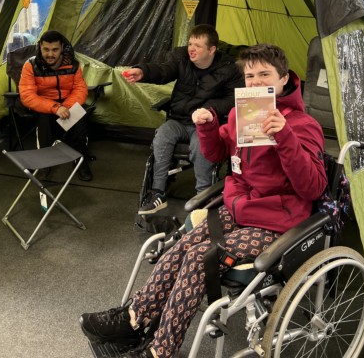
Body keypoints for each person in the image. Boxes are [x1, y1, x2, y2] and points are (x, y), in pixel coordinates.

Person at [79, 43, 328, 358]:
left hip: (277, 222)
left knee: (200, 258)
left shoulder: (303, 126)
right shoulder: (240, 114)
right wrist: (208, 127)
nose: (255, 82)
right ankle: (133, 319)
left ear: (283, 79)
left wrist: (285, 137)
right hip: (238, 209)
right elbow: (216, 154)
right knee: (182, 245)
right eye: (250, 76)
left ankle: (161, 350)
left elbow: (313, 188)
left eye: (264, 75)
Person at [122, 24, 244, 214]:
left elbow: (234, 98)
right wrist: (143, 72)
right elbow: (164, 70)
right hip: (178, 120)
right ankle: (158, 193)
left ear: (211, 50)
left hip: (205, 125)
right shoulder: (180, 58)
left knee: (201, 146)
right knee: (162, 136)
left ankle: (203, 197)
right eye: (190, 44)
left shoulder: (229, 69)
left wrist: (210, 109)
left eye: (198, 46)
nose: (191, 49)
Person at [18, 29, 93, 181]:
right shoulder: (30, 65)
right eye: (46, 49)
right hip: (44, 104)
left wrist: (66, 107)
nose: (50, 54)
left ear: (62, 48)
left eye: (55, 50)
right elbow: (27, 95)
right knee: (44, 120)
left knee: (79, 119)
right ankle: (44, 163)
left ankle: (80, 161)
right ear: (40, 47)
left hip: (67, 103)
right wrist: (55, 108)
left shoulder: (73, 64)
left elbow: (80, 89)